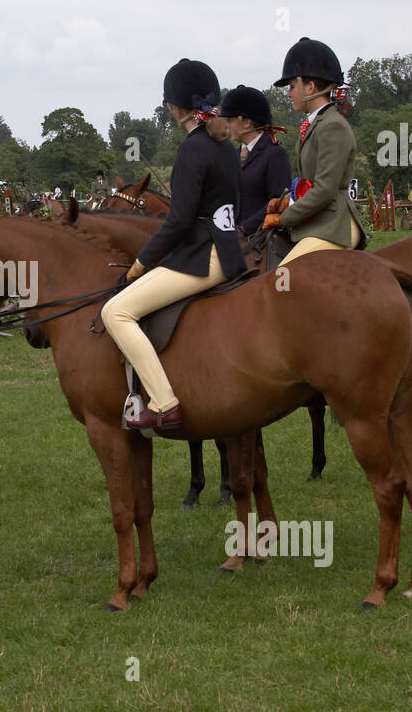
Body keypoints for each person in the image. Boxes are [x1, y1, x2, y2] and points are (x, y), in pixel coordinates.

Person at [102, 58, 246, 432]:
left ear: (176, 108)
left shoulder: (192, 149)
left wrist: (141, 262)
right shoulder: (226, 146)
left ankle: (164, 404)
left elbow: (179, 221)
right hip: (230, 249)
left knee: (115, 313)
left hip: (204, 256)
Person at [264, 37, 366, 261]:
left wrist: (285, 218)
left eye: (292, 87)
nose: (288, 93)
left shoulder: (333, 126)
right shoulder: (316, 124)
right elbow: (308, 183)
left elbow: (324, 190)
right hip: (319, 222)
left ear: (310, 87)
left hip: (334, 225)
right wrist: (286, 202)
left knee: (284, 275)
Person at [219, 85, 292, 236]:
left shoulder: (275, 154)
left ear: (246, 122)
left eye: (230, 119)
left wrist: (245, 228)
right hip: (232, 236)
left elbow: (278, 201)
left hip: (262, 237)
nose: (227, 125)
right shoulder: (233, 155)